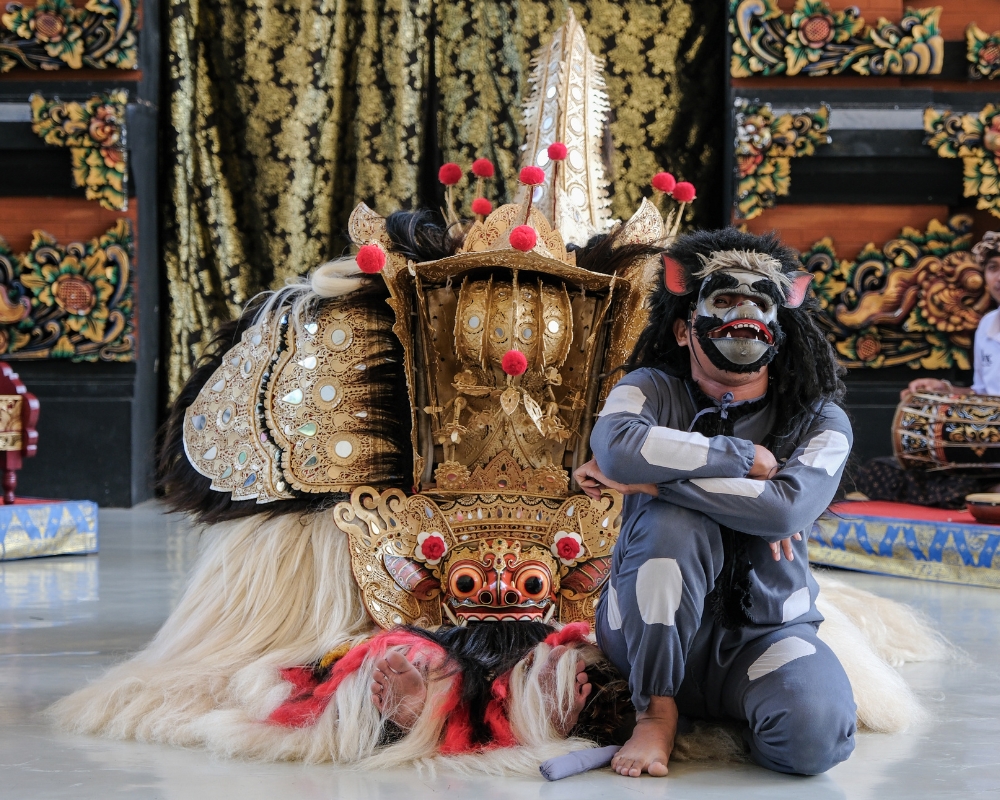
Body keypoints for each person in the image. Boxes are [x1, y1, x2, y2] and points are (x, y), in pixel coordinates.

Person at [574, 228, 857, 778]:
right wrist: (736, 456)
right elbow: (616, 448)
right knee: (675, 528)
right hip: (643, 626)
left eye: (760, 302)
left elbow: (785, 510)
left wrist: (653, 484)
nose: (743, 311)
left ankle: (736, 703)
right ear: (683, 330)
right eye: (724, 299)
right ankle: (655, 709)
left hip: (765, 634)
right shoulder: (647, 388)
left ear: (779, 330)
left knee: (815, 738)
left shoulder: (822, 420)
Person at [854, 232, 1000, 508]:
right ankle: (990, 489)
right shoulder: (987, 326)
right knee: (875, 472)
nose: (998, 277)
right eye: (993, 268)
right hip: (984, 450)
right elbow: (982, 395)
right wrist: (943, 389)